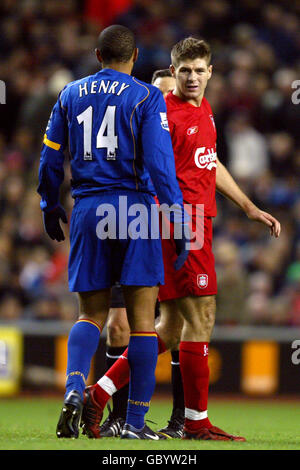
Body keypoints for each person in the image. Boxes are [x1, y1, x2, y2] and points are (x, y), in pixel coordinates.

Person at [80, 37, 281, 441]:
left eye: (198, 70)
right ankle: (195, 422)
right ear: (173, 73)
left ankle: (97, 394)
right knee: (202, 318)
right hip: (179, 223)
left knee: (170, 327)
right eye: (184, 70)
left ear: (210, 73)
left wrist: (247, 206)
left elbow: (211, 162)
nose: (191, 77)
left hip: (188, 221)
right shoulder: (163, 112)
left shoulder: (203, 109)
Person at [37, 25, 188, 440]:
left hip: (88, 208)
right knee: (142, 322)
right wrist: (176, 219)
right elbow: (160, 165)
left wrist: (50, 204)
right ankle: (135, 424)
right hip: (134, 208)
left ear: (97, 54)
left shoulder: (69, 94)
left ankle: (73, 390)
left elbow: (50, 159)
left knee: (90, 315)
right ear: (135, 56)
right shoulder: (146, 95)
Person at [99, 69, 185, 439]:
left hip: (176, 226)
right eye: (162, 96)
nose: (167, 103)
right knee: (120, 324)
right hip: (133, 223)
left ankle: (181, 418)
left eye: (173, 96)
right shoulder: (140, 121)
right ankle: (119, 415)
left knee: (180, 326)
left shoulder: (188, 134)